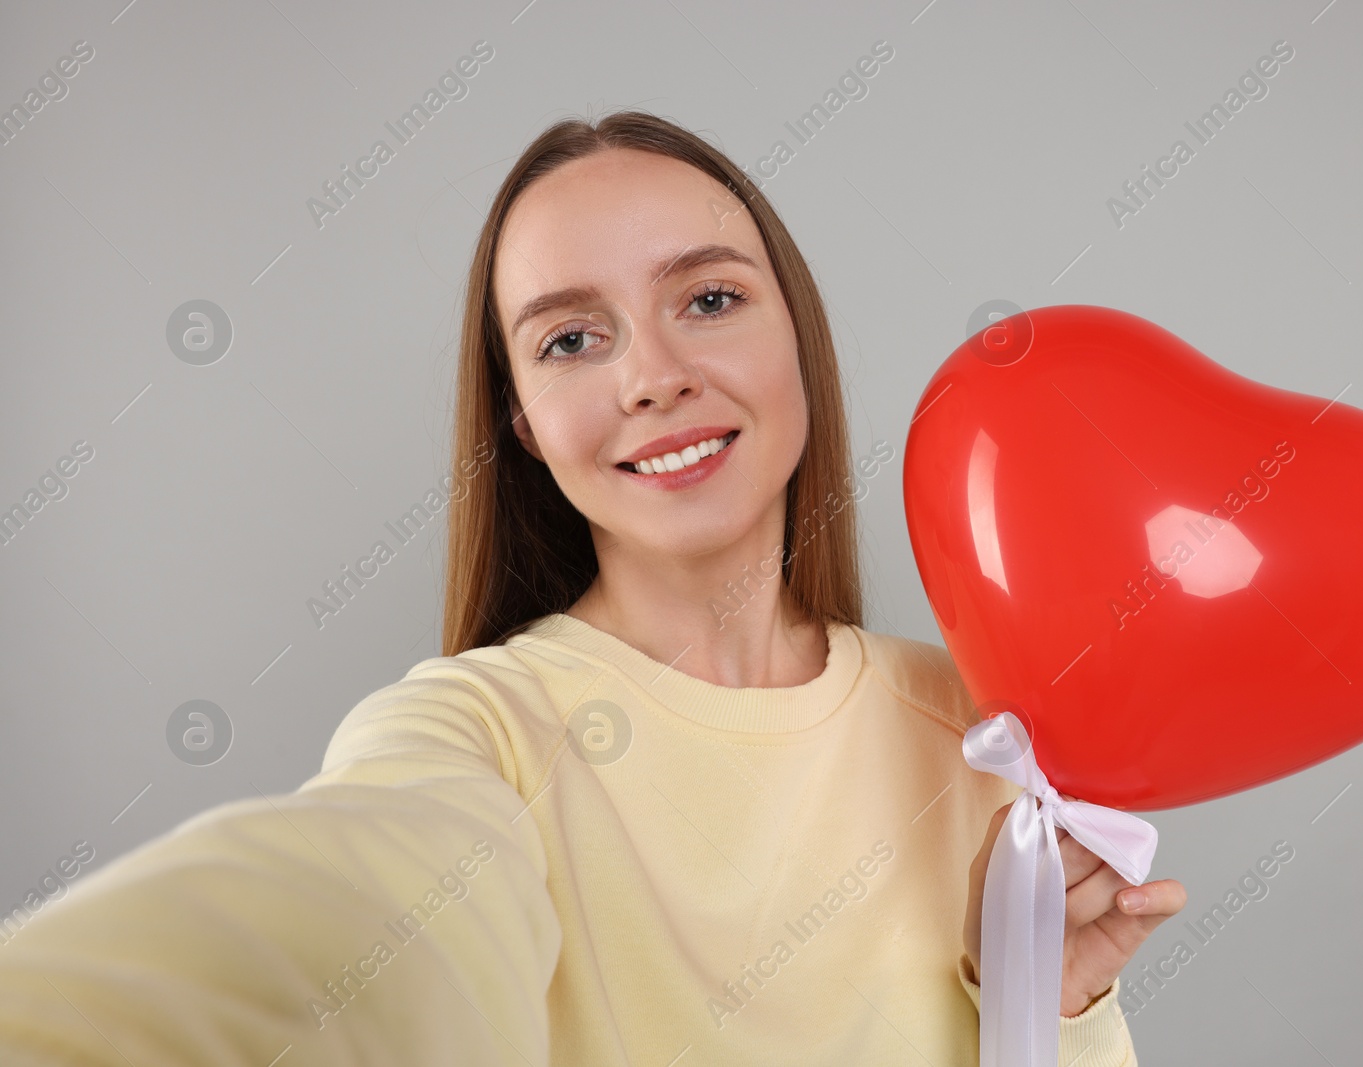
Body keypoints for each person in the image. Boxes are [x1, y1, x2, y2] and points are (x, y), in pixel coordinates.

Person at [0, 110, 1184, 1066]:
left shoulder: (977, 739)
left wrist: (1037, 1004)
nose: (653, 377)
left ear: (796, 338)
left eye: (710, 299)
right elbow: (355, 916)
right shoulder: (471, 733)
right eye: (571, 339)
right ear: (522, 421)